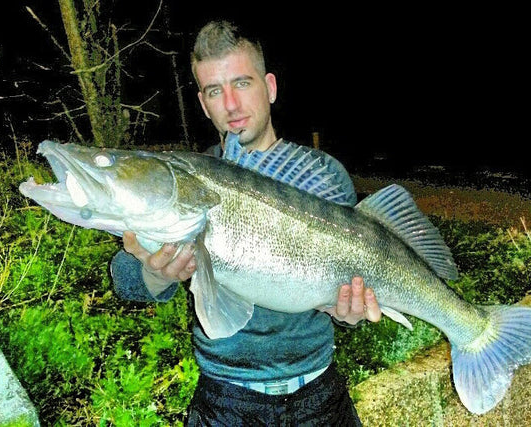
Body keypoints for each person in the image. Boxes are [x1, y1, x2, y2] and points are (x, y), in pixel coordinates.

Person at [110, 20, 382, 425]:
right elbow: (123, 278)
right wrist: (156, 274)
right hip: (227, 400)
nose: (231, 105)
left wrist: (347, 311)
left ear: (269, 87)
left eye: (242, 83)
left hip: (319, 398)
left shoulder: (323, 176)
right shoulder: (185, 182)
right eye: (215, 91)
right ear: (203, 104)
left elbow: (343, 298)